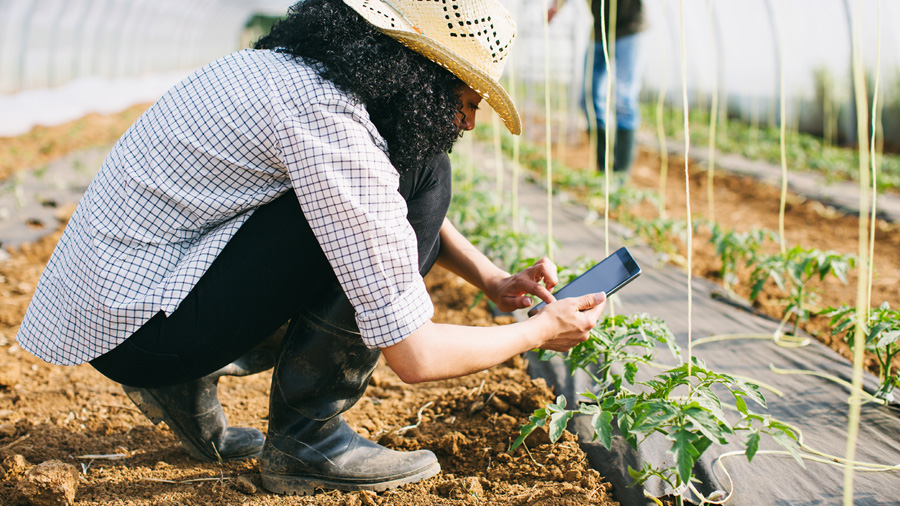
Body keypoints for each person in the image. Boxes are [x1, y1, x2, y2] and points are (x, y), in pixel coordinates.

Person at [16, 0, 607, 496]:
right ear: (421, 73)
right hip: (146, 331)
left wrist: (490, 277)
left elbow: (371, 202)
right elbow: (416, 356)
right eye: (469, 99)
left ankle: (181, 383)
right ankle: (309, 438)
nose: (470, 122)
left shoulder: (292, 74)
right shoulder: (324, 118)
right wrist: (538, 331)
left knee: (404, 177)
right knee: (426, 170)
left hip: (125, 312)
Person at [549, 0, 647, 176]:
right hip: (600, 31)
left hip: (630, 28)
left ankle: (620, 173)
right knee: (589, 97)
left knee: (624, 99)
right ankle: (604, 166)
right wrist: (556, 6)